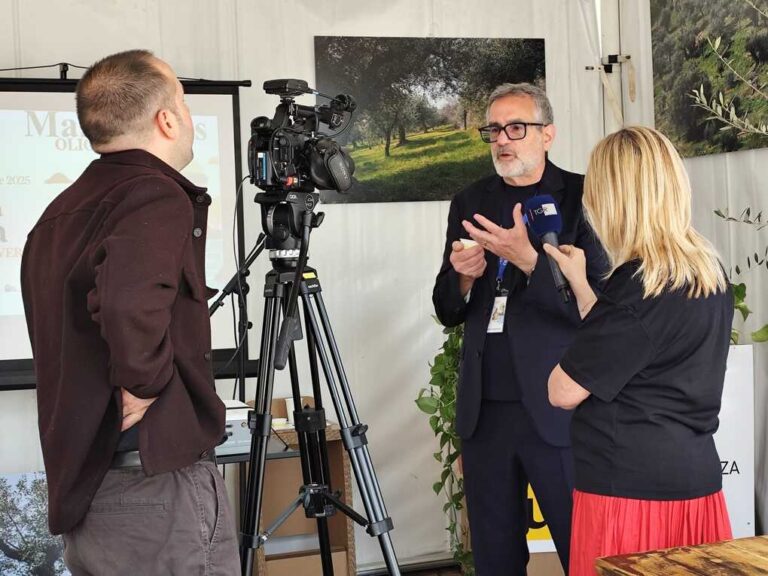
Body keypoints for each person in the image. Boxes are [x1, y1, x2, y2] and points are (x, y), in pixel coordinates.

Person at [20, 50, 239, 575]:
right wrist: (144, 384)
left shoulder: (58, 212)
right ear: (166, 118)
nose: (186, 117)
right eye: (182, 102)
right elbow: (125, 302)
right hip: (153, 490)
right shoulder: (155, 195)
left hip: (93, 486)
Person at [432, 82, 606, 575]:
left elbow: (597, 307)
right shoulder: (470, 201)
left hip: (558, 405)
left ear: (547, 134)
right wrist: (463, 277)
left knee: (583, 550)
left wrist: (529, 261)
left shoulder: (581, 196)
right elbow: (447, 308)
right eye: (494, 130)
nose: (502, 140)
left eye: (516, 127)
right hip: (485, 409)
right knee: (495, 557)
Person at [546, 126, 734, 576]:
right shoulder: (707, 272)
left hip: (629, 494)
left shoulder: (638, 285)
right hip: (695, 483)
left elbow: (562, 391)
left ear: (614, 198)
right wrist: (581, 282)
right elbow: (634, 349)